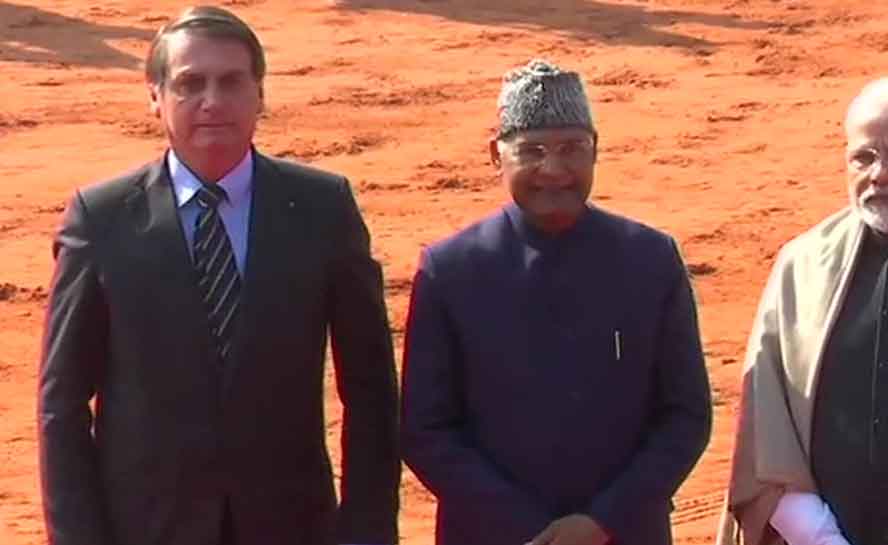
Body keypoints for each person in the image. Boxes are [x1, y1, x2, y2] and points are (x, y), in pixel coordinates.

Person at [37, 6, 399, 545]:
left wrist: (367, 532)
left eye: (231, 82)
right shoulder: (102, 218)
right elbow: (61, 405)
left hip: (292, 527)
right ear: (155, 95)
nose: (212, 101)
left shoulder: (323, 209)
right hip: (146, 529)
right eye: (189, 83)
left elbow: (371, 390)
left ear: (260, 94)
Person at [400, 58, 712, 545]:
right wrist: (530, 530)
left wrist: (602, 520)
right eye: (532, 151)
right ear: (495, 156)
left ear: (595, 152)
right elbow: (426, 430)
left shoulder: (650, 259)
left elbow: (686, 416)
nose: (553, 170)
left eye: (572, 148)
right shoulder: (451, 269)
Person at [717, 77, 888, 545]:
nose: (881, 174)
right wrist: (816, 533)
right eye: (864, 157)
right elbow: (766, 421)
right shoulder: (802, 264)